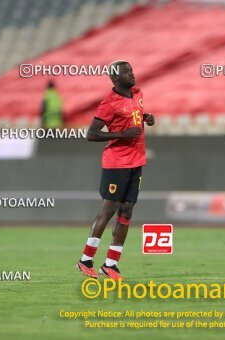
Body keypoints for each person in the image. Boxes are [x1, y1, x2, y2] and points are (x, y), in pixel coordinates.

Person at [76, 60, 154, 280]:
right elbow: (91, 134)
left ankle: (111, 264)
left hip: (137, 161)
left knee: (127, 210)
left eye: (132, 69)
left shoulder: (137, 94)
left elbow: (134, 116)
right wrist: (121, 134)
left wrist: (147, 118)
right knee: (108, 210)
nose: (132, 73)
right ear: (114, 77)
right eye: (126, 71)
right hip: (116, 162)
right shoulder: (109, 103)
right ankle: (85, 260)